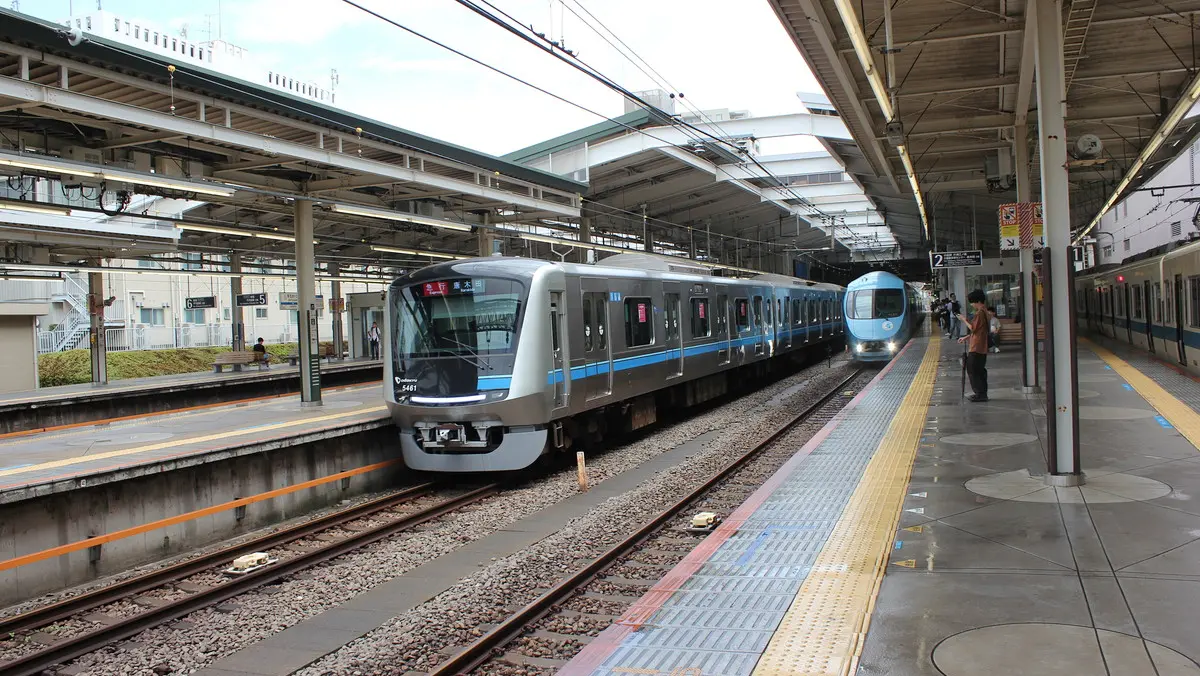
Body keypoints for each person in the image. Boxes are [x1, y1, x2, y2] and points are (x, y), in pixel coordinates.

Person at [957, 290, 990, 402]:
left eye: (973, 302)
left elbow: (973, 328)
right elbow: (979, 330)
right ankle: (982, 393)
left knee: (972, 370)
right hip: (981, 345)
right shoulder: (985, 311)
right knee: (980, 370)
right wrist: (966, 337)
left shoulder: (980, 313)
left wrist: (963, 319)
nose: (972, 305)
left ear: (978, 301)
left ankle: (980, 394)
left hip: (977, 346)